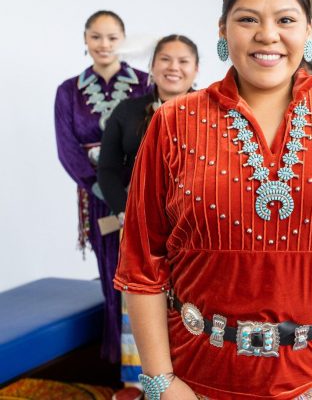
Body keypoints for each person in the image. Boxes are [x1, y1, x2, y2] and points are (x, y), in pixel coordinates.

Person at [114, 0, 312, 400]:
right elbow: (143, 263)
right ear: (223, 29)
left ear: (308, 30)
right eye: (248, 19)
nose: (268, 35)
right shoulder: (174, 123)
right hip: (201, 377)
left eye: (286, 20)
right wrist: (160, 380)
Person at [98, 34, 200, 394]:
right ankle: (143, 382)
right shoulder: (126, 112)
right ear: (152, 67)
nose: (174, 68)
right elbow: (108, 169)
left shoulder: (213, 114)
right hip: (141, 230)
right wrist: (126, 210)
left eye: (183, 61)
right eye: (166, 60)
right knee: (141, 299)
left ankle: (190, 373)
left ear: (196, 69)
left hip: (194, 233)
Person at [55, 10, 150, 363]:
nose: (104, 45)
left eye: (112, 37)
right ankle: (119, 363)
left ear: (123, 40)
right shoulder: (68, 91)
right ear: (85, 39)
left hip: (145, 197)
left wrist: (134, 192)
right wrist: (104, 191)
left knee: (152, 278)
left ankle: (156, 365)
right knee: (112, 275)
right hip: (97, 200)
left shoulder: (145, 83)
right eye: (96, 37)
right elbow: (67, 149)